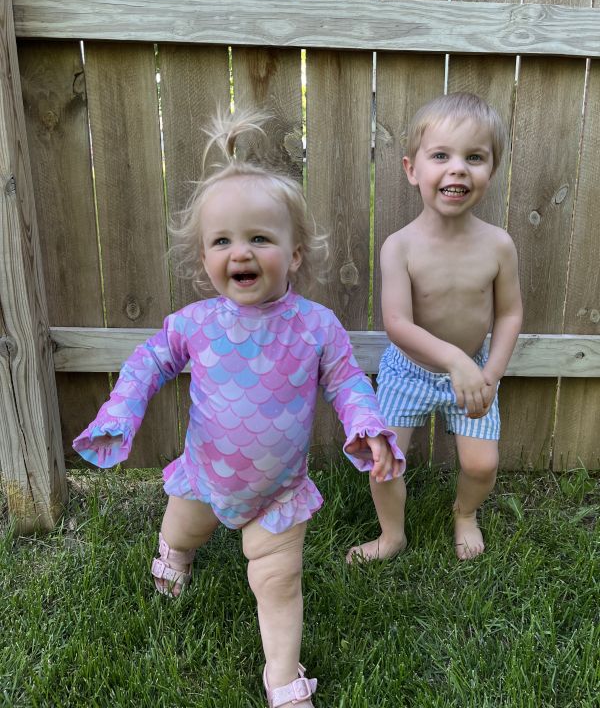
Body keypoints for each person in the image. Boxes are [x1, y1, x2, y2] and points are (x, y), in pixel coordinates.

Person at [73, 110, 405, 708]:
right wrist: (121, 411)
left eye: (259, 238)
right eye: (222, 241)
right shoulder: (195, 325)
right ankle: (174, 555)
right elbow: (148, 362)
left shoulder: (316, 327)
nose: (240, 252)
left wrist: (368, 425)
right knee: (183, 529)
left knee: (277, 580)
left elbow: (349, 381)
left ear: (295, 253)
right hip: (204, 475)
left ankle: (281, 675)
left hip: (279, 491)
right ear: (204, 258)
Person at [347, 92, 522, 564]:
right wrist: (453, 360)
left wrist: (492, 374)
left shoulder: (498, 246)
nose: (458, 168)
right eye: (441, 156)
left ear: (491, 170)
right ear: (412, 169)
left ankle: (465, 513)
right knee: (383, 463)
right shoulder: (400, 246)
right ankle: (392, 535)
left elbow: (509, 314)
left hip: (475, 373)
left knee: (481, 463)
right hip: (409, 372)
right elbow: (397, 323)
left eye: (474, 157)